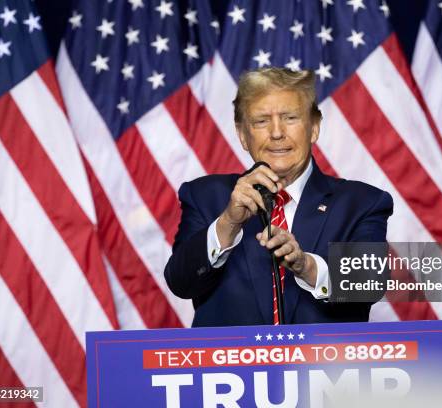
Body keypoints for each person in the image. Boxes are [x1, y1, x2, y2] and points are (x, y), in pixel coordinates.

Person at [165, 67, 393, 327]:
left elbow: (369, 285)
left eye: (290, 118)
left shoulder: (362, 203)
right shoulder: (205, 196)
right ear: (242, 135)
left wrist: (306, 266)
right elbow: (180, 283)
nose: (276, 133)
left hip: (324, 366)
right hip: (232, 366)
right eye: (261, 121)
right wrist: (228, 222)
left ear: (314, 128)